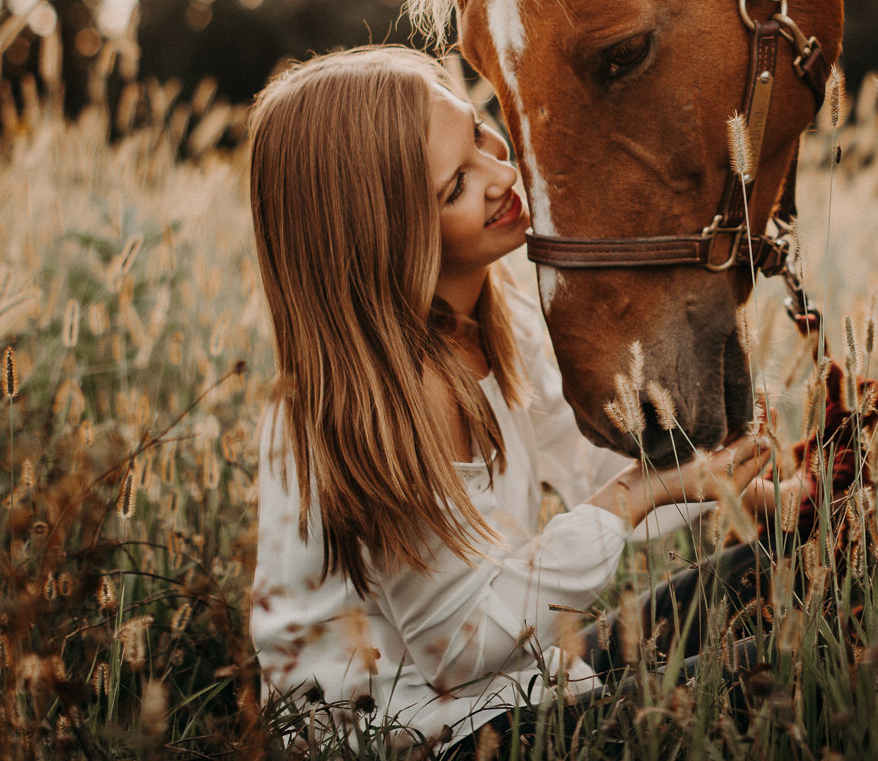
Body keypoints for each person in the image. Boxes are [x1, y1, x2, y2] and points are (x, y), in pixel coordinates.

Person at [245, 46, 794, 748]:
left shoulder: (493, 316)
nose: (505, 173)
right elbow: (457, 650)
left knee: (794, 562)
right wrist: (630, 500)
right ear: (387, 238)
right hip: (428, 738)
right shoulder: (394, 397)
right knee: (780, 673)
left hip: (517, 678)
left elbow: (584, 460)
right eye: (457, 187)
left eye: (478, 133)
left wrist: (737, 492)